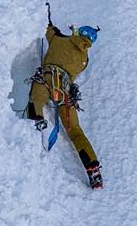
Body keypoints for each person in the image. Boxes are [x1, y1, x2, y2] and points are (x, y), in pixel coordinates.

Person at [26, 19, 103, 189]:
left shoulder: (59, 39)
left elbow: (49, 28)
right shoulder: (84, 60)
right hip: (64, 91)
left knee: (37, 96)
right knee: (75, 131)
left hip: (47, 78)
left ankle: (37, 117)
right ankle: (92, 167)